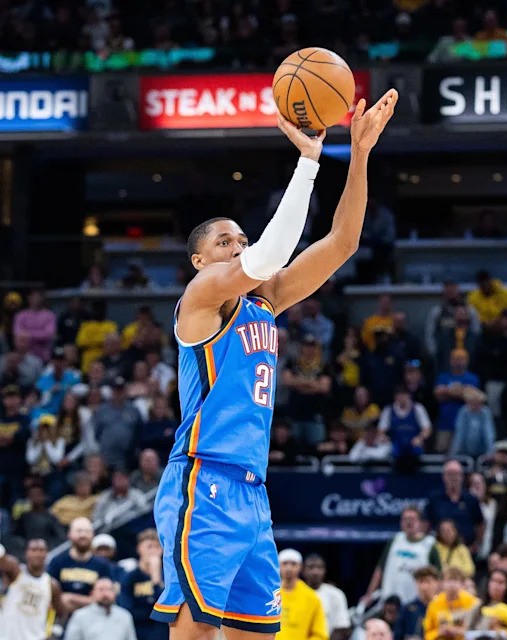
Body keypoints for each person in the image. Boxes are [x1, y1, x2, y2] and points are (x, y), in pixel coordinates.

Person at [148, 91, 397, 637]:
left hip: (251, 489)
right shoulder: (201, 297)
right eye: (223, 242)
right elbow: (267, 256)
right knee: (192, 631)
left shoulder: (265, 302)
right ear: (199, 260)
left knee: (255, 633)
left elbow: (343, 241)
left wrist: (357, 156)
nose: (237, 247)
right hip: (202, 480)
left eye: (241, 238)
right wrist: (308, 162)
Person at [364, 507, 441, 607]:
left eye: (412, 519)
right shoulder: (395, 540)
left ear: (420, 522)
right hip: (390, 602)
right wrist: (369, 594)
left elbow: (438, 575)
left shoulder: (429, 544)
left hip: (416, 603)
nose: (409, 522)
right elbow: (380, 569)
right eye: (405, 519)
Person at [0, 538, 64, 640]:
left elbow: (61, 613)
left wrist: (54, 632)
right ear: (27, 553)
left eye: (41, 550)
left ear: (46, 554)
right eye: (33, 550)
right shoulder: (16, 571)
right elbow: (4, 560)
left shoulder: (52, 585)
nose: (37, 554)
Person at [47, 517, 113, 614]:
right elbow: (49, 597)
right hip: (61, 617)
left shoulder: (103, 565)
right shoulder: (57, 562)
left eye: (87, 531)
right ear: (69, 534)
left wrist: (71, 598)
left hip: (93, 618)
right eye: (79, 531)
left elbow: (106, 599)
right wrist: (88, 601)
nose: (83, 535)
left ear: (93, 535)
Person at [425, 461, 485, 551]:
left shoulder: (471, 499)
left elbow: (480, 524)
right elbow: (426, 523)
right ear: (444, 477)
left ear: (462, 477)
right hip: (440, 549)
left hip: (467, 549)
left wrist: (476, 545)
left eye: (456, 474)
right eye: (450, 474)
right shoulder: (434, 499)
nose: (453, 478)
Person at [118, 529, 165, 640]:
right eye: (149, 547)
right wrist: (150, 609)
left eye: (157, 547)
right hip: (137, 631)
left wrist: (156, 579)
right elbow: (126, 609)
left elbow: (167, 610)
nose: (153, 551)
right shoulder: (130, 577)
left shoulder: (168, 577)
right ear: (139, 548)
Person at [276, 549, 328, 640]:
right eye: (285, 563)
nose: (289, 568)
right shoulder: (270, 595)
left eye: (293, 564)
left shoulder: (311, 597)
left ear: (300, 567)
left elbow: (319, 634)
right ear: (278, 565)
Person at [422, 567, 479, 640]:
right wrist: (439, 632)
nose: (452, 585)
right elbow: (426, 634)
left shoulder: (472, 601)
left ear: (462, 584)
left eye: (455, 580)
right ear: (442, 583)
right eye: (449, 580)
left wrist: (459, 631)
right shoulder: (435, 603)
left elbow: (478, 631)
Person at [302, 555, 350, 640]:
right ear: (303, 570)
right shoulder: (293, 593)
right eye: (311, 567)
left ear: (325, 570)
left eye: (319, 567)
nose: (315, 572)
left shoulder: (336, 594)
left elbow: (342, 628)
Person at [396, 566, 440, 640]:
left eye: (428, 581)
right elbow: (397, 635)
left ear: (437, 583)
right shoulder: (407, 609)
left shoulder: (444, 606)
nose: (424, 587)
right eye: (420, 582)